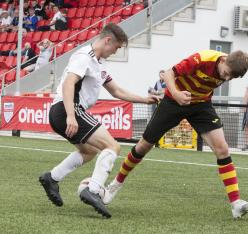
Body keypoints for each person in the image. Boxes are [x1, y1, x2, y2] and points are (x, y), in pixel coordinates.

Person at [102, 49, 248, 219]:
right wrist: (176, 94)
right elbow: (169, 73)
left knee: (223, 150)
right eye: (227, 73)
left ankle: (236, 204)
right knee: (142, 147)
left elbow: (224, 74)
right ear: (223, 60)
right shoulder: (202, 59)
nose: (226, 78)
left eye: (231, 77)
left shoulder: (230, 69)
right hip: (173, 102)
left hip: (201, 105)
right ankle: (115, 184)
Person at [38, 23, 159, 218]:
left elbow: (117, 91)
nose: (115, 52)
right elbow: (70, 82)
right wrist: (71, 115)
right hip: (67, 109)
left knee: (89, 151)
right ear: (107, 40)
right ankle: (93, 190)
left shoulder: (98, 65)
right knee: (112, 146)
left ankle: (51, 178)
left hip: (65, 111)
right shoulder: (84, 57)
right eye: (116, 47)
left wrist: (145, 99)